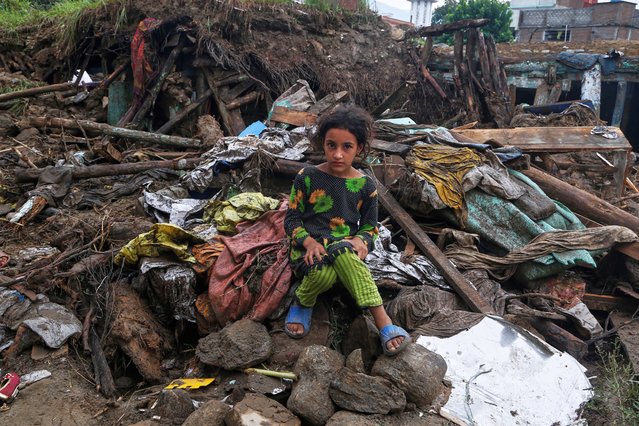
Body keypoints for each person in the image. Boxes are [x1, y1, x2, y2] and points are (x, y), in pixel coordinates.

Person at [283, 104, 411, 356]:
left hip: (345, 250)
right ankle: (304, 300)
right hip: (310, 251)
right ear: (323, 144)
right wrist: (308, 242)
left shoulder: (366, 185)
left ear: (359, 148)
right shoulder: (306, 177)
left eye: (347, 147)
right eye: (332, 145)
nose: (338, 154)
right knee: (323, 275)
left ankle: (381, 320)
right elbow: (291, 220)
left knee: (342, 250)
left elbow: (369, 228)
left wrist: (363, 240)